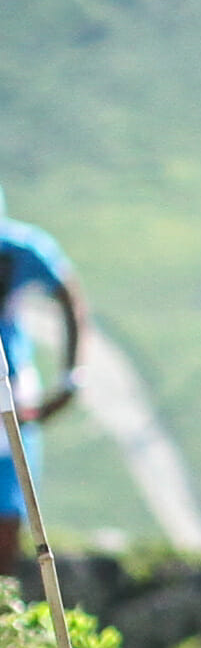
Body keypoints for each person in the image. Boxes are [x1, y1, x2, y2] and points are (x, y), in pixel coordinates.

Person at [0, 199, 82, 580]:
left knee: (9, 516)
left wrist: (70, 377)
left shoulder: (21, 248)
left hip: (10, 391)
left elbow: (69, 294)